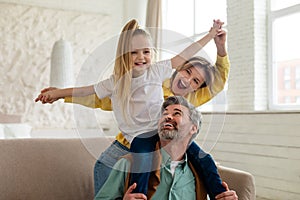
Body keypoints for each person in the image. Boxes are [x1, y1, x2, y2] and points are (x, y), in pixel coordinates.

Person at [35, 18, 224, 196]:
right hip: (139, 138)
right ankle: (137, 196)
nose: (141, 57)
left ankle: (221, 195)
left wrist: (210, 35)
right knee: (141, 161)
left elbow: (186, 53)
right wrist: (58, 93)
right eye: (134, 52)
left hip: (162, 132)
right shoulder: (116, 82)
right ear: (124, 55)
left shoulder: (157, 71)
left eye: (146, 52)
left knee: (204, 159)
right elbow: (86, 91)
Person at [95, 96, 238, 200]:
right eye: (164, 114)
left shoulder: (201, 173)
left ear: (193, 128)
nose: (167, 116)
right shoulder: (128, 164)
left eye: (177, 113)